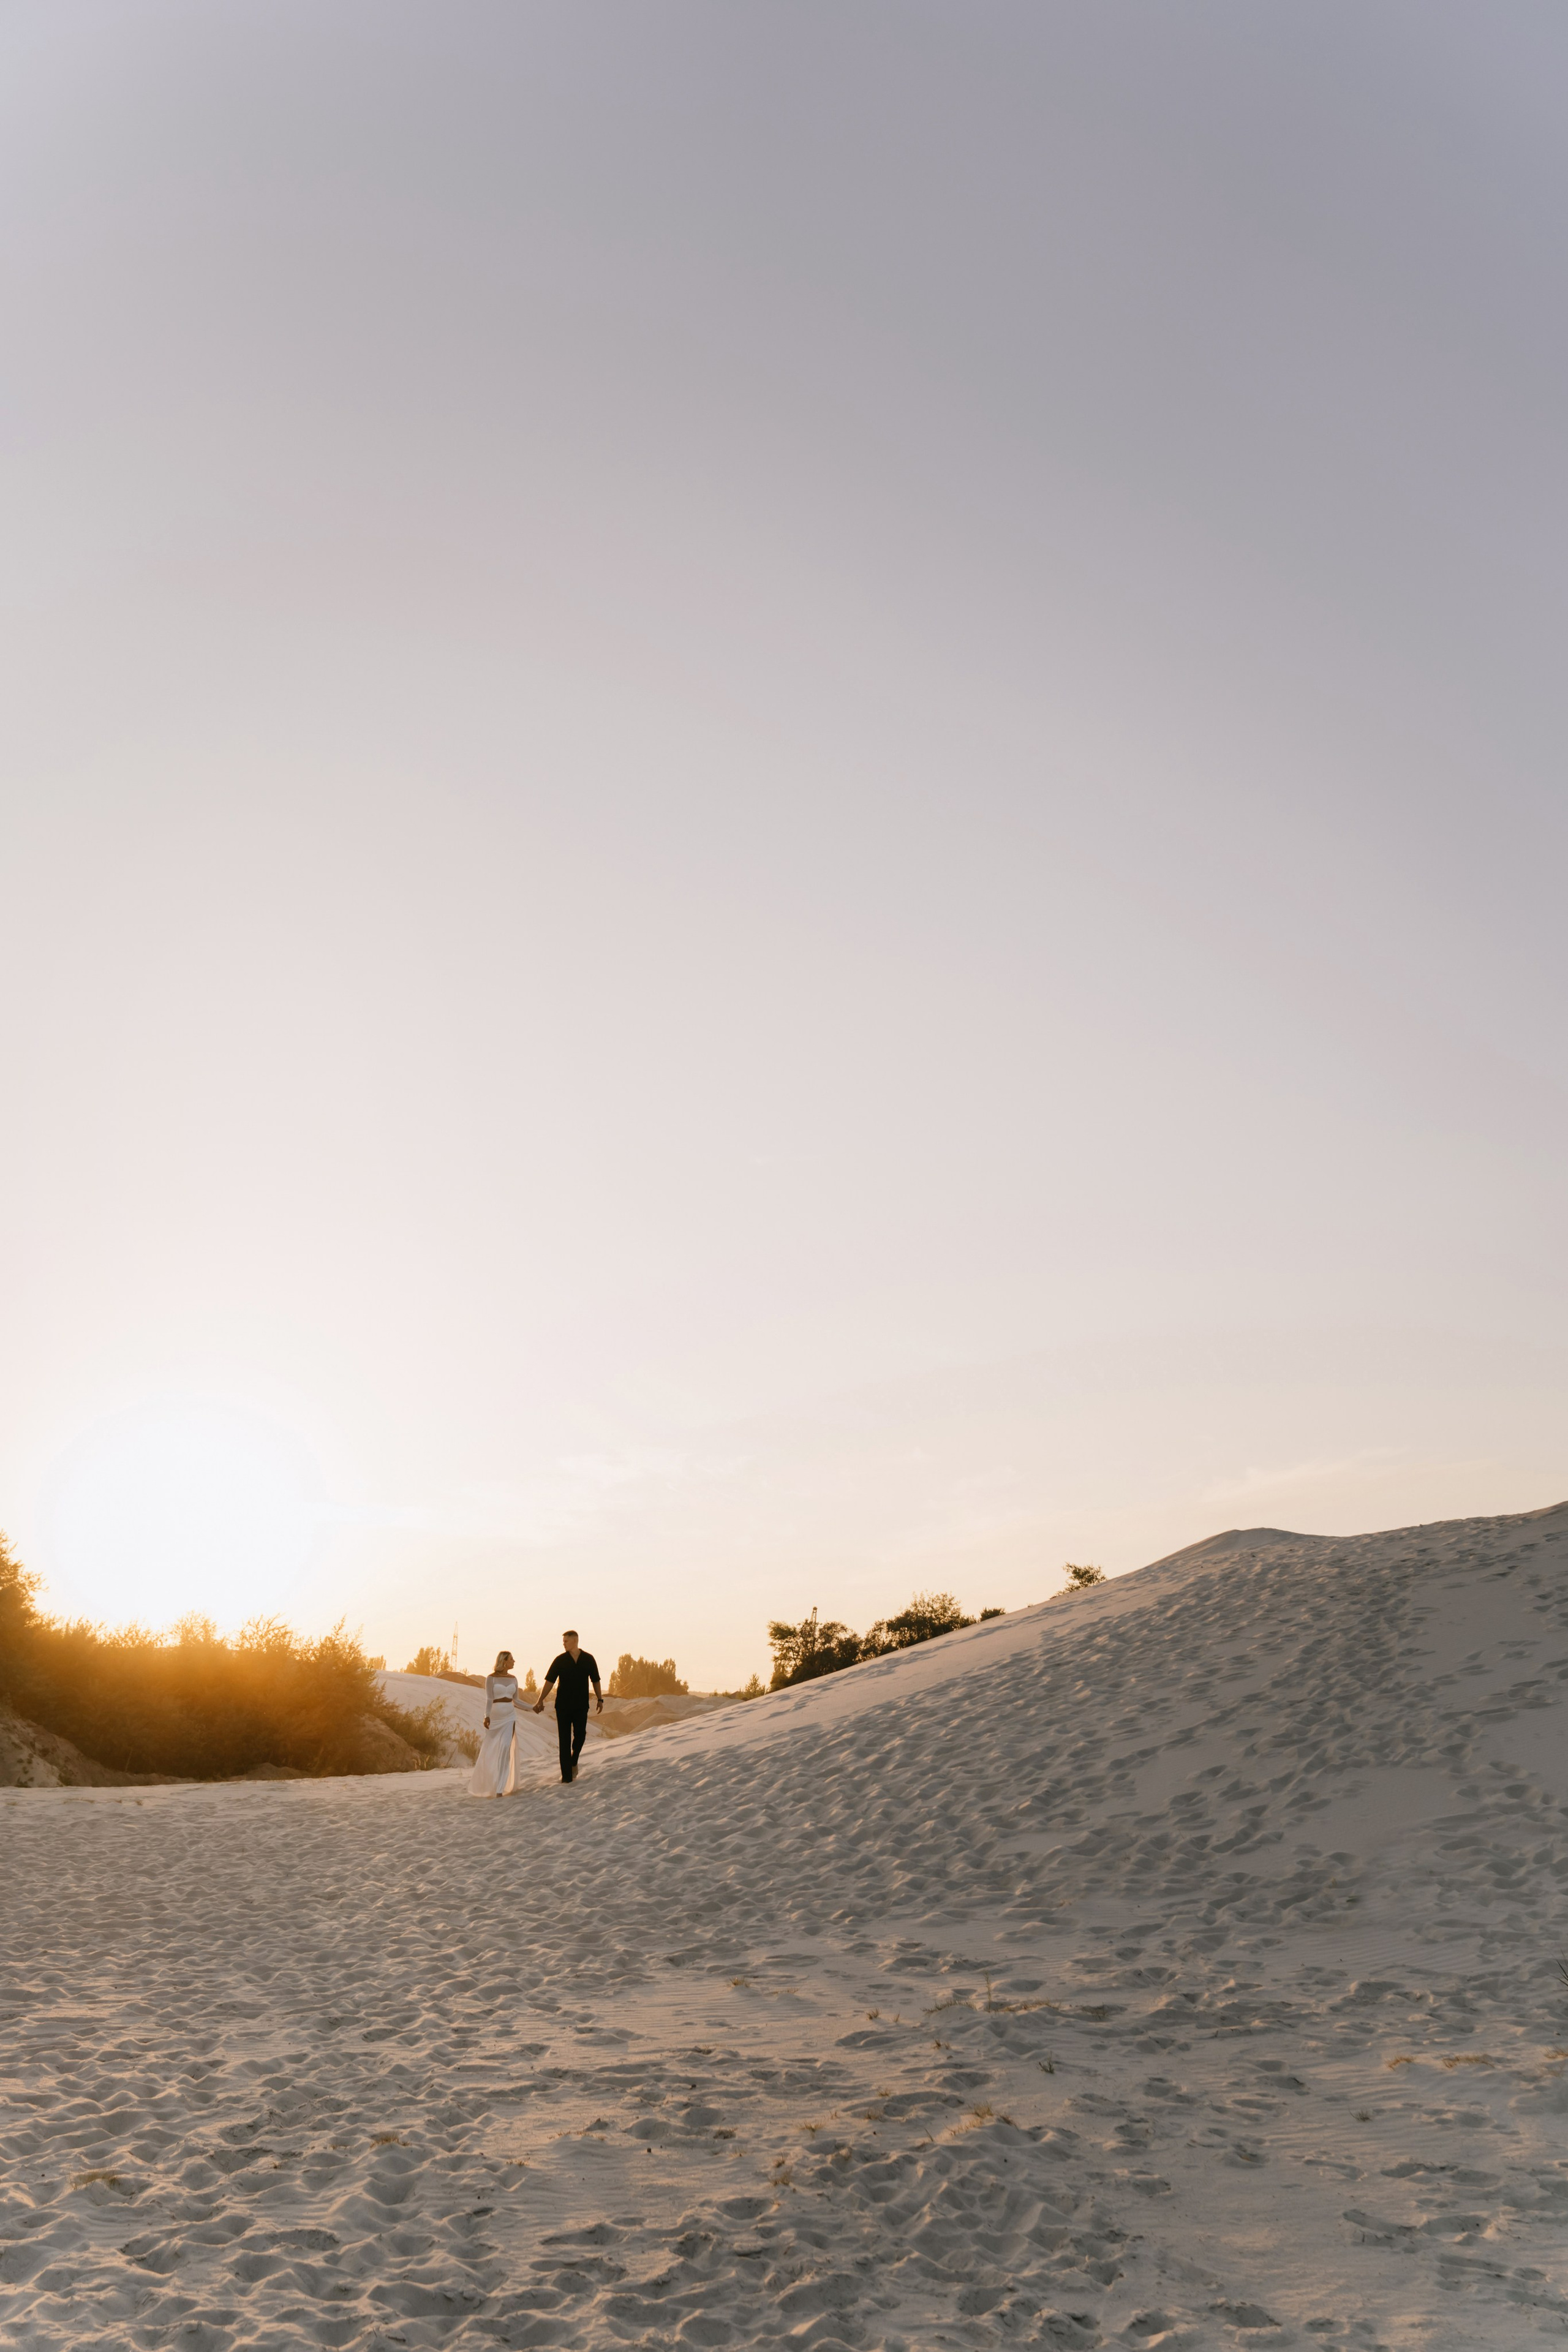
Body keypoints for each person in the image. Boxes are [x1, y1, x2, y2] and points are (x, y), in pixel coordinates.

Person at [533, 1629, 603, 1782]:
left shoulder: (589, 1659)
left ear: (575, 1641)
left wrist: (600, 1699)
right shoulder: (560, 1660)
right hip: (563, 1706)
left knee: (581, 1736)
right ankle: (567, 1778)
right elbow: (549, 1682)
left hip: (581, 1705)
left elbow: (596, 1680)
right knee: (564, 1741)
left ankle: (574, 1760)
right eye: (563, 1641)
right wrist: (540, 1700)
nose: (563, 1644)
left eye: (566, 1641)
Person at [469, 1649, 521, 1798]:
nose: (514, 1661)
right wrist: (487, 1716)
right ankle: (489, 1783)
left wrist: (534, 1708)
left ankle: (500, 1788)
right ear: (504, 1661)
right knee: (491, 1750)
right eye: (512, 1659)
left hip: (510, 1717)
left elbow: (516, 1701)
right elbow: (489, 1699)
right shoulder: (491, 1678)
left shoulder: (514, 1679)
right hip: (496, 1719)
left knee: (505, 1748)